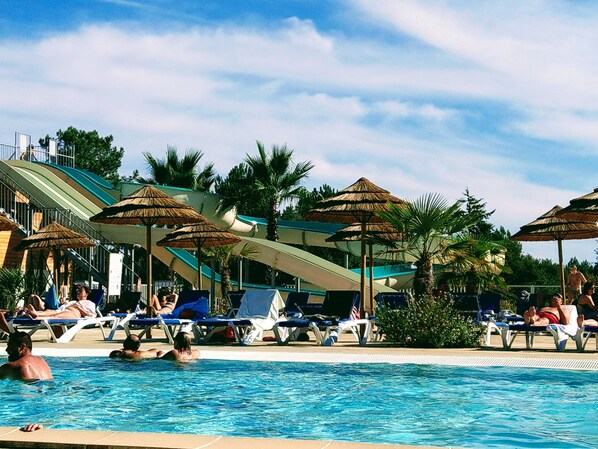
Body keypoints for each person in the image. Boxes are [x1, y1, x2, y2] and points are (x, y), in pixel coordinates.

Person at [25, 285, 96, 319]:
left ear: (86, 294)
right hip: (61, 310)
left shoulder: (90, 303)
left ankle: (37, 318)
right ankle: (36, 313)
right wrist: (63, 303)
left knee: (55, 316)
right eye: (78, 291)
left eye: (80, 291)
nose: (78, 292)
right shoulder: (73, 301)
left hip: (74, 313)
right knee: (48, 311)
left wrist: (78, 307)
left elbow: (90, 315)